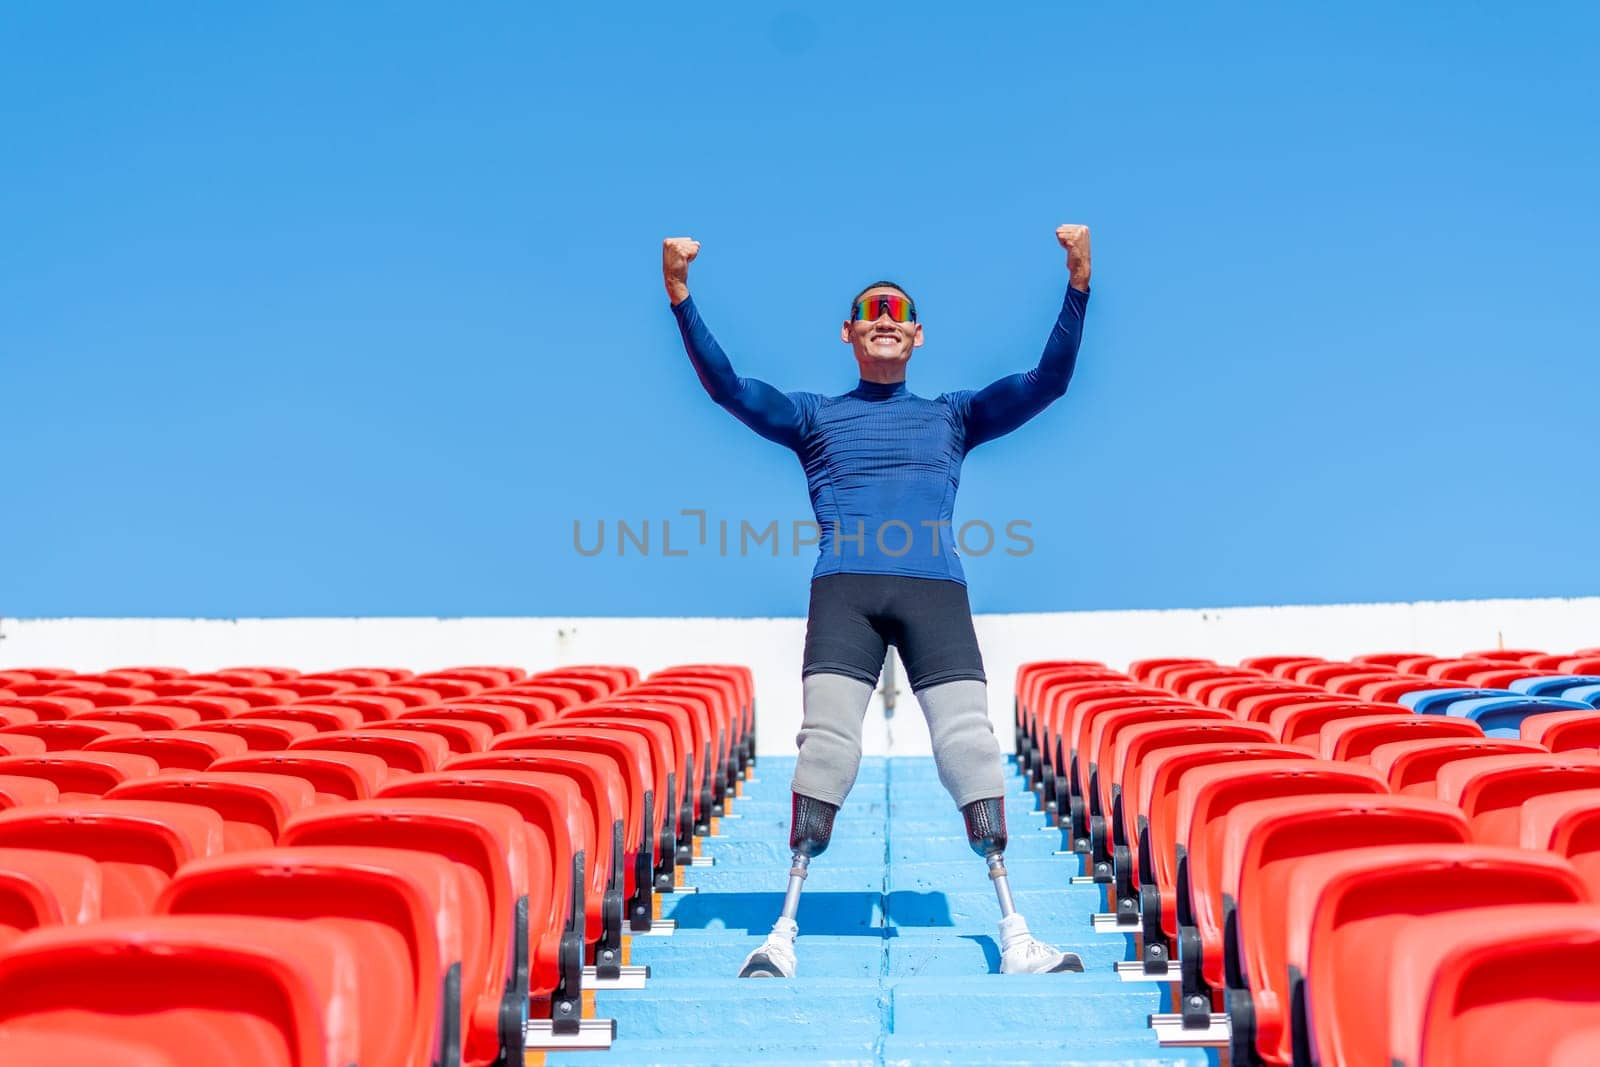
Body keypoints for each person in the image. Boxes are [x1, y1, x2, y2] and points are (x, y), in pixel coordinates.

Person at [663, 225, 1092, 977]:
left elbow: (1046, 382)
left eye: (899, 311)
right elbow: (730, 389)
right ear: (849, 332)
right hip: (846, 592)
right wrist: (681, 298)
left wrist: (1078, 286)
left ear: (919, 335)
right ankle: (781, 933)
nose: (885, 317)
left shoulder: (953, 416)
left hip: (936, 592)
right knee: (827, 747)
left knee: (971, 746)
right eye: (871, 310)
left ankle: (1017, 932)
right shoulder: (813, 416)